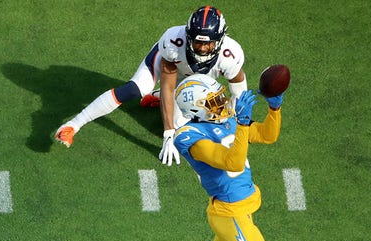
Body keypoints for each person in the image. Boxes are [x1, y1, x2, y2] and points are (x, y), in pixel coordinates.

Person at [122, 74, 285, 241]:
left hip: (235, 211)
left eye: (219, 97)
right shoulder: (189, 136)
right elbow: (233, 162)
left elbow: (267, 135)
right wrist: (241, 124)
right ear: (196, 108)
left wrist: (275, 107)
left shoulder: (227, 118)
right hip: (232, 213)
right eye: (212, 101)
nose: (221, 103)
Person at [55, 6, 248, 166]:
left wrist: (238, 116)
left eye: (208, 44)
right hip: (170, 66)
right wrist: (168, 135)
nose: (203, 48)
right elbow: (168, 86)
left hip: (198, 80)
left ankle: (158, 99)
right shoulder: (174, 43)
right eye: (197, 42)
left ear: (220, 40)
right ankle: (75, 124)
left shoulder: (230, 55)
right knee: (137, 89)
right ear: (189, 37)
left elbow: (238, 89)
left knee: (219, 113)